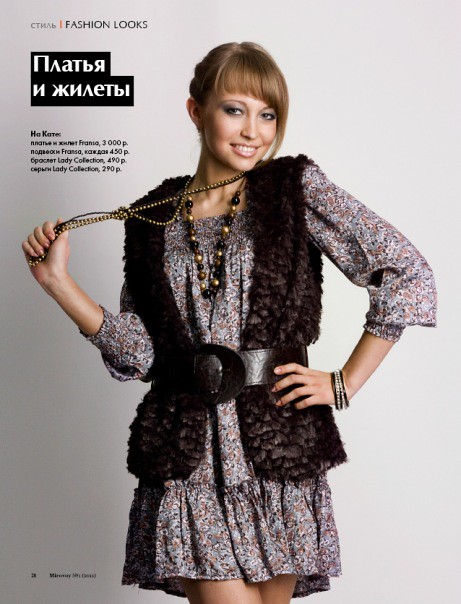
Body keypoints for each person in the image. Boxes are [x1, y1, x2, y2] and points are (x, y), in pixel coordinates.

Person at [22, 42, 437, 604]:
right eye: (235, 109)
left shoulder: (293, 190)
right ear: (197, 111)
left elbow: (406, 271)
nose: (253, 131)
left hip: (277, 449)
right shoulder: (151, 217)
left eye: (268, 115)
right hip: (187, 455)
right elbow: (141, 355)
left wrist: (344, 382)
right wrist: (58, 285)